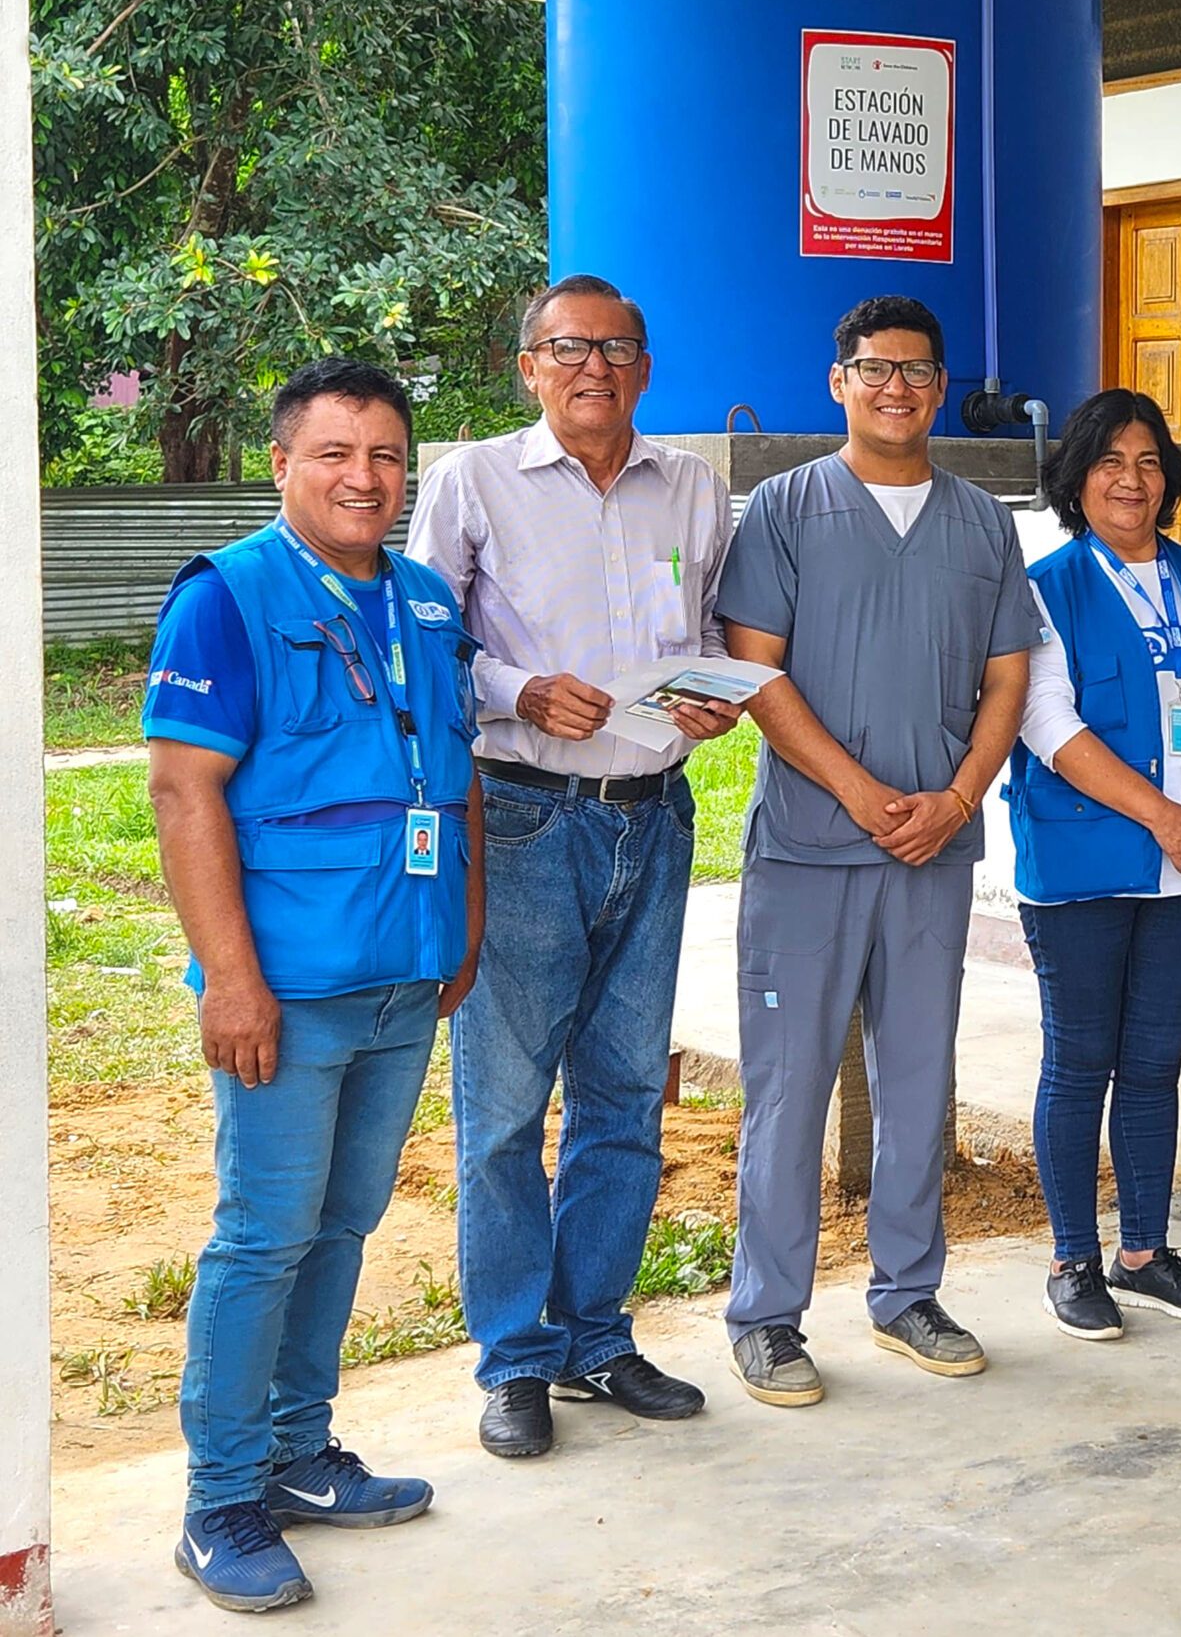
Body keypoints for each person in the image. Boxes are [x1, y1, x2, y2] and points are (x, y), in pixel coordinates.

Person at [143, 360, 482, 1614]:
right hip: (285, 991)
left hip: (406, 979)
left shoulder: (429, 602)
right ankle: (219, 1499)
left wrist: (468, 931)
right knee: (263, 1237)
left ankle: (296, 1453)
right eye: (335, 452)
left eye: (388, 456)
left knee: (341, 1228)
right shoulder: (227, 599)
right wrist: (230, 979)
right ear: (283, 463)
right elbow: (184, 793)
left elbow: (457, 779)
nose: (365, 477)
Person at [407, 274, 744, 1460]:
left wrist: (712, 700)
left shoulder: (695, 488)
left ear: (646, 368)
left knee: (623, 1098)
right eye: (568, 348)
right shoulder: (471, 482)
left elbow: (699, 635)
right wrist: (515, 690)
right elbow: (422, 646)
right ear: (528, 366)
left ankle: (594, 1334)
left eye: (617, 348)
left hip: (653, 818)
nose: (594, 366)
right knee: (503, 1112)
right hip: (522, 819)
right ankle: (513, 1359)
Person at [715, 296, 1041, 1400]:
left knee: (916, 1078)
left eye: (917, 371)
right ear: (838, 381)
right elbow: (754, 667)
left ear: (940, 388)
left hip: (932, 855)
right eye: (874, 369)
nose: (896, 387)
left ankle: (907, 1294)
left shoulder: (981, 523)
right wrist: (859, 793)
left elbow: (1008, 677)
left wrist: (956, 798)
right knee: (789, 1084)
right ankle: (765, 1315)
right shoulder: (786, 510)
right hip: (810, 851)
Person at [1008, 389, 1181, 1341]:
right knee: (1081, 1064)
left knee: (1156, 1064)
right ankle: (1074, 1259)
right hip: (1087, 864)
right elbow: (1046, 721)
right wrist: (1163, 815)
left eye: (1150, 461)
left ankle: (1146, 1252)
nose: (1132, 479)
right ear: (1076, 479)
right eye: (1111, 461)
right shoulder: (1048, 585)